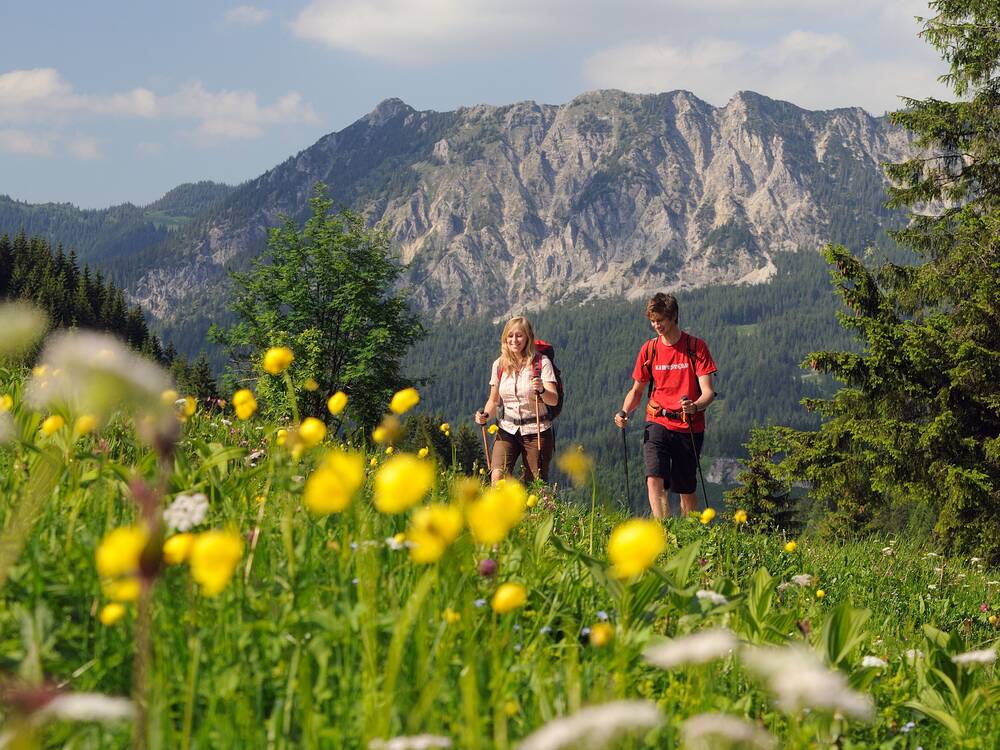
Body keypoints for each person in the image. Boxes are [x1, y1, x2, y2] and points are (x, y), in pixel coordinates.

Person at [614, 293, 717, 519]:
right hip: (657, 421)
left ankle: (690, 532)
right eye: (653, 321)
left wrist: (695, 406)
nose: (656, 325)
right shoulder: (649, 350)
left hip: (687, 425)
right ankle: (664, 530)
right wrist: (624, 411)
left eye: (660, 320)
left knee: (686, 489)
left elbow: (708, 392)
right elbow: (637, 390)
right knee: (654, 478)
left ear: (674, 317)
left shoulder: (695, 347)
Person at [474, 316, 559, 484]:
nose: (514, 340)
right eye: (510, 335)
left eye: (519, 335)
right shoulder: (499, 365)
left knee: (535, 484)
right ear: (505, 338)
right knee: (497, 476)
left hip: (537, 430)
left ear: (528, 337)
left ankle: (536, 510)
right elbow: (493, 401)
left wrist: (541, 389)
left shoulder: (541, 363)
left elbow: (553, 400)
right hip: (507, 429)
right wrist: (484, 415)